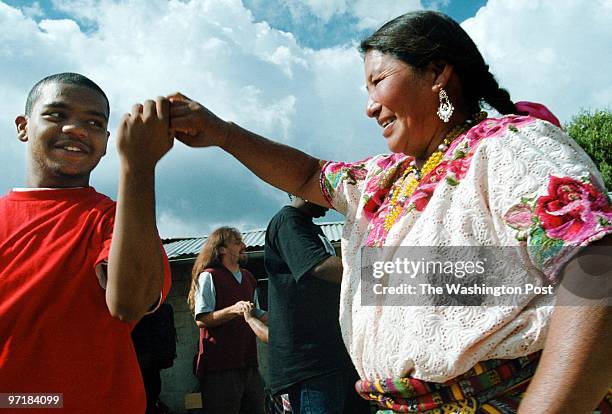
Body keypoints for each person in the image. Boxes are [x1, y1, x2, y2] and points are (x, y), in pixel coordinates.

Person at [168, 10, 611, 413]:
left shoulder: (509, 146)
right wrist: (220, 132)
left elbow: (598, 269)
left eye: (378, 81)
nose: (369, 106)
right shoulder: (384, 181)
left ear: (437, 72)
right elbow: (306, 175)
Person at [0, 73, 172, 413]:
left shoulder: (115, 220)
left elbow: (129, 303)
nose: (76, 129)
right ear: (23, 126)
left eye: (93, 122)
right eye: (57, 115)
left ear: (107, 142)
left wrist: (138, 166)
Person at [263, 195, 370, 414]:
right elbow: (320, 266)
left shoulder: (310, 227)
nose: (330, 206)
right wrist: (377, 274)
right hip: (310, 363)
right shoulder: (287, 221)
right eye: (325, 197)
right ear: (302, 191)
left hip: (332, 357)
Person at [187, 226, 266, 414]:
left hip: (249, 363)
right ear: (222, 249)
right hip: (220, 367)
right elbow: (202, 319)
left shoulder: (248, 277)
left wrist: (283, 318)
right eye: (236, 242)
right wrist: (233, 310)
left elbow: (256, 313)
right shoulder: (210, 276)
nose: (243, 245)